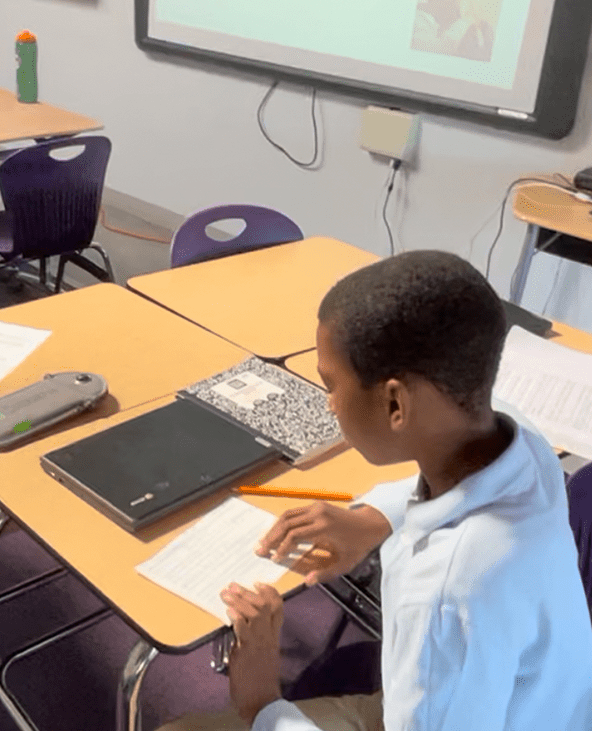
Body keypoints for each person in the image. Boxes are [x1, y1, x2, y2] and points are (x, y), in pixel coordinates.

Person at [162, 251, 592, 731]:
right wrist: (375, 518)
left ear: (394, 403)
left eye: (331, 384)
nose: (328, 405)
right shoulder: (521, 442)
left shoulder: (444, 594)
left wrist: (262, 703)